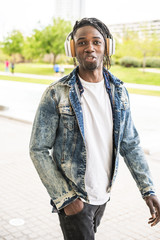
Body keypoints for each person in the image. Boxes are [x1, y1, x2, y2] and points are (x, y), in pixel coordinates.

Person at [29, 18, 160, 240]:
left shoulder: (119, 92)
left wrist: (148, 190)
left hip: (103, 196)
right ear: (72, 48)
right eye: (82, 42)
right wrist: (66, 198)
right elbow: (37, 149)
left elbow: (130, 144)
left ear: (107, 47)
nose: (89, 47)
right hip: (75, 199)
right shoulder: (56, 93)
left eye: (96, 42)